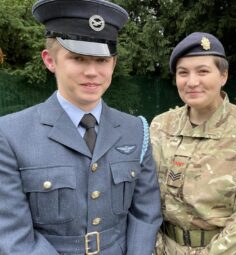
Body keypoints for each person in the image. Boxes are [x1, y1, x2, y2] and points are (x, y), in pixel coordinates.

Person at [0, 0, 162, 254]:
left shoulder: (135, 129)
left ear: (114, 63)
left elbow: (146, 214)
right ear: (50, 61)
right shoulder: (9, 135)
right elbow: (12, 233)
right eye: (77, 58)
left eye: (102, 60)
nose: (92, 72)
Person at [150, 32, 236, 254]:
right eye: (183, 73)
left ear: (223, 76)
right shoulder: (161, 127)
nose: (192, 82)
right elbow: (143, 197)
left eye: (203, 71)